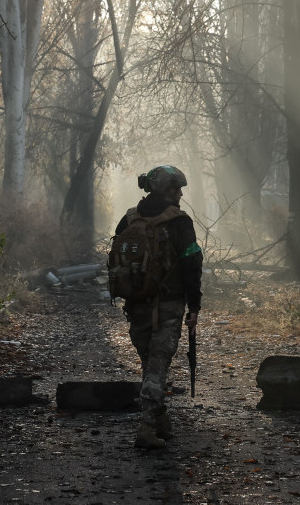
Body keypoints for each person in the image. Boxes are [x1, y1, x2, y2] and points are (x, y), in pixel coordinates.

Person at [115, 165, 203, 449]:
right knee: (157, 365)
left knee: (151, 364)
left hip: (136, 304)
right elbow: (192, 265)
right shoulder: (180, 222)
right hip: (168, 304)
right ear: (166, 190)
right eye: (176, 189)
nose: (180, 194)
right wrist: (194, 307)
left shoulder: (128, 219)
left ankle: (161, 419)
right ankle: (147, 428)